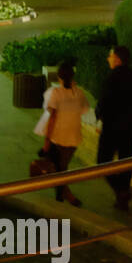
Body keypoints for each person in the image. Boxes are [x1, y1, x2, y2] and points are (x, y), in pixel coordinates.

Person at [95, 45, 132, 210]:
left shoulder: (112, 77)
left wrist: (100, 119)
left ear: (117, 58)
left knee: (103, 162)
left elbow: (104, 101)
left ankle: (121, 191)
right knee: (126, 163)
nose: (108, 59)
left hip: (111, 128)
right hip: (130, 128)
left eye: (110, 56)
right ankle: (122, 195)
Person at [38, 61, 88, 205]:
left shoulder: (56, 93)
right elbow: (84, 111)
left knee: (57, 170)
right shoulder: (79, 93)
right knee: (60, 168)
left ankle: (65, 196)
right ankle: (62, 196)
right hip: (73, 139)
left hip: (58, 138)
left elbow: (52, 118)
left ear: (59, 77)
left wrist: (46, 142)